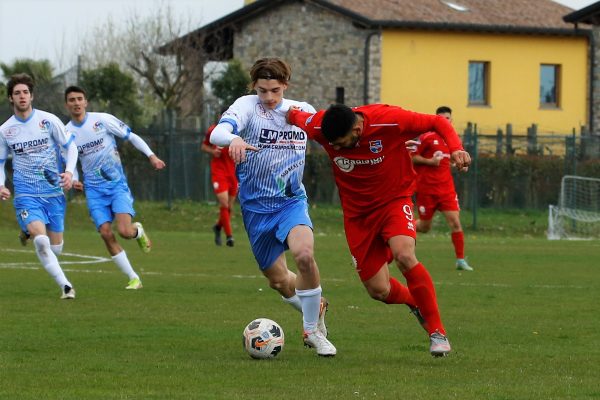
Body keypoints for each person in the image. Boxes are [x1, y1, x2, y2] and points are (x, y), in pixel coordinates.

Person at [286, 103, 471, 357]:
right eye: (332, 144)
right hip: (358, 217)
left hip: (394, 201)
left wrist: (456, 148)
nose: (336, 149)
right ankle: (415, 301)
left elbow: (437, 122)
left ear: (357, 128)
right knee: (378, 290)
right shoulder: (318, 126)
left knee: (404, 254)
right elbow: (291, 114)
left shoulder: (389, 120)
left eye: (341, 142)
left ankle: (437, 332)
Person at [210, 57, 336, 357]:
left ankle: (311, 331)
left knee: (304, 254)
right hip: (255, 208)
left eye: (275, 91)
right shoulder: (246, 106)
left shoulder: (300, 111)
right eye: (263, 90)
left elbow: (329, 134)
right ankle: (315, 306)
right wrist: (234, 139)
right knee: (279, 280)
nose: (269, 97)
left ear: (286, 86)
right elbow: (217, 133)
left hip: (291, 202)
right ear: (254, 87)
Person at [64, 85, 166, 290]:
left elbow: (132, 136)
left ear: (86, 102)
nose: (76, 103)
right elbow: (69, 160)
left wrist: (151, 156)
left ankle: (137, 232)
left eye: (79, 99)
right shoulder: (66, 133)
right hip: (93, 190)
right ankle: (133, 278)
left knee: (124, 231)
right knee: (105, 233)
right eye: (72, 100)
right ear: (67, 104)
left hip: (117, 186)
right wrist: (74, 179)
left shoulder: (101, 120)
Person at [0, 73, 78, 299]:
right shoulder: (6, 130)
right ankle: (66, 287)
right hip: (26, 194)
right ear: (10, 99)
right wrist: (2, 184)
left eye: (25, 92)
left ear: (32, 96)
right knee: (42, 242)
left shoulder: (48, 120)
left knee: (56, 249)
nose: (22, 96)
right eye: (17, 93)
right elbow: (1, 161)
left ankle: (26, 231)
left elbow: (70, 147)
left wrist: (70, 172)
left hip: (53, 192)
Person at [411, 106, 473, 271]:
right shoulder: (427, 137)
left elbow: (451, 160)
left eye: (447, 118)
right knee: (424, 227)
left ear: (451, 120)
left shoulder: (453, 140)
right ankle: (402, 229)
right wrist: (430, 162)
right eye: (441, 119)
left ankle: (460, 260)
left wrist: (461, 165)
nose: (445, 121)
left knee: (455, 223)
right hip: (426, 189)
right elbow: (412, 158)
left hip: (446, 190)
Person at [201, 109, 238, 247]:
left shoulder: (238, 131)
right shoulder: (213, 130)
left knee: (229, 207)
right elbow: (204, 146)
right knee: (224, 203)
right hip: (219, 172)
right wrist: (212, 151)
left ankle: (217, 227)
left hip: (233, 173)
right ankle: (229, 236)